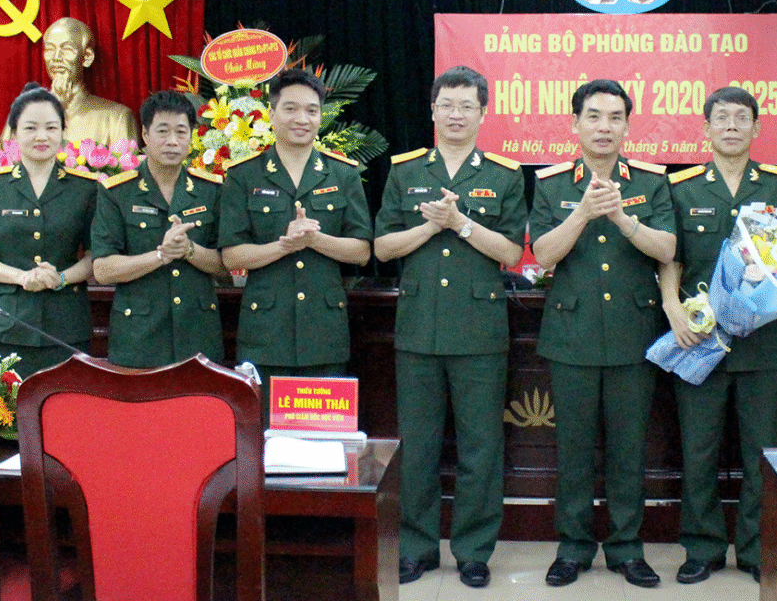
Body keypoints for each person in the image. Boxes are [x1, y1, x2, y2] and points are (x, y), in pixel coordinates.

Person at [374, 66, 527, 589]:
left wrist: (461, 223)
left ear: (483, 114)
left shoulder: (505, 175)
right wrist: (428, 225)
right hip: (418, 329)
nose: (456, 115)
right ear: (433, 111)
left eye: (467, 106)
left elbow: (511, 252)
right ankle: (415, 547)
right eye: (447, 105)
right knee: (417, 446)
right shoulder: (405, 171)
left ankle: (473, 551)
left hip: (480, 331)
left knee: (480, 447)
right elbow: (382, 248)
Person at [530, 79, 676, 589]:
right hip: (572, 336)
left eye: (615, 117)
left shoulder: (651, 182)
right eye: (593, 116)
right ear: (575, 124)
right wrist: (583, 213)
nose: (604, 127)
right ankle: (572, 549)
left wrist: (621, 217)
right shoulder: (551, 183)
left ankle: (626, 549)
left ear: (627, 126)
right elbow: (543, 255)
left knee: (628, 451)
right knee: (572, 450)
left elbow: (667, 248)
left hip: (634, 335)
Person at [659, 86, 777, 584]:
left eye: (741, 118)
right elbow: (671, 259)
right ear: (705, 128)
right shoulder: (683, 188)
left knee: (759, 452)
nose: (731, 126)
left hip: (763, 342)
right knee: (698, 450)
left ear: (757, 128)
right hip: (699, 340)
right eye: (721, 118)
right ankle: (701, 547)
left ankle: (755, 546)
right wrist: (672, 307)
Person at [219, 70, 372, 408]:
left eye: (312, 110)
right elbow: (232, 256)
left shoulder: (343, 174)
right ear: (271, 114)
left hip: (324, 334)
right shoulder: (244, 175)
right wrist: (284, 246)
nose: (302, 119)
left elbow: (361, 251)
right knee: (263, 432)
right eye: (290, 109)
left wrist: (315, 240)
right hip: (265, 335)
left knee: (323, 433)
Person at [0, 83, 101, 373]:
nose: (42, 136)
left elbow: (96, 256)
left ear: (63, 132)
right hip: (6, 324)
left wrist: (60, 278)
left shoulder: (86, 188)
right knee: (5, 401)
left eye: (51, 128)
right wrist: (20, 276)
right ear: (14, 134)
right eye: (30, 128)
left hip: (66, 325)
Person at [90, 90, 228, 368]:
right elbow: (103, 270)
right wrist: (160, 256)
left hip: (197, 335)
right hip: (139, 339)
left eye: (181, 132)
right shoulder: (117, 192)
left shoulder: (211, 190)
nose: (172, 141)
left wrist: (189, 250)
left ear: (192, 136)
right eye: (163, 131)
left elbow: (227, 265)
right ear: (145, 134)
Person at [2, 18, 139, 146]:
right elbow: (8, 159)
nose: (56, 57)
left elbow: (127, 164)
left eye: (67, 49)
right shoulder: (21, 115)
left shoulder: (116, 118)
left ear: (87, 57)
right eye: (50, 49)